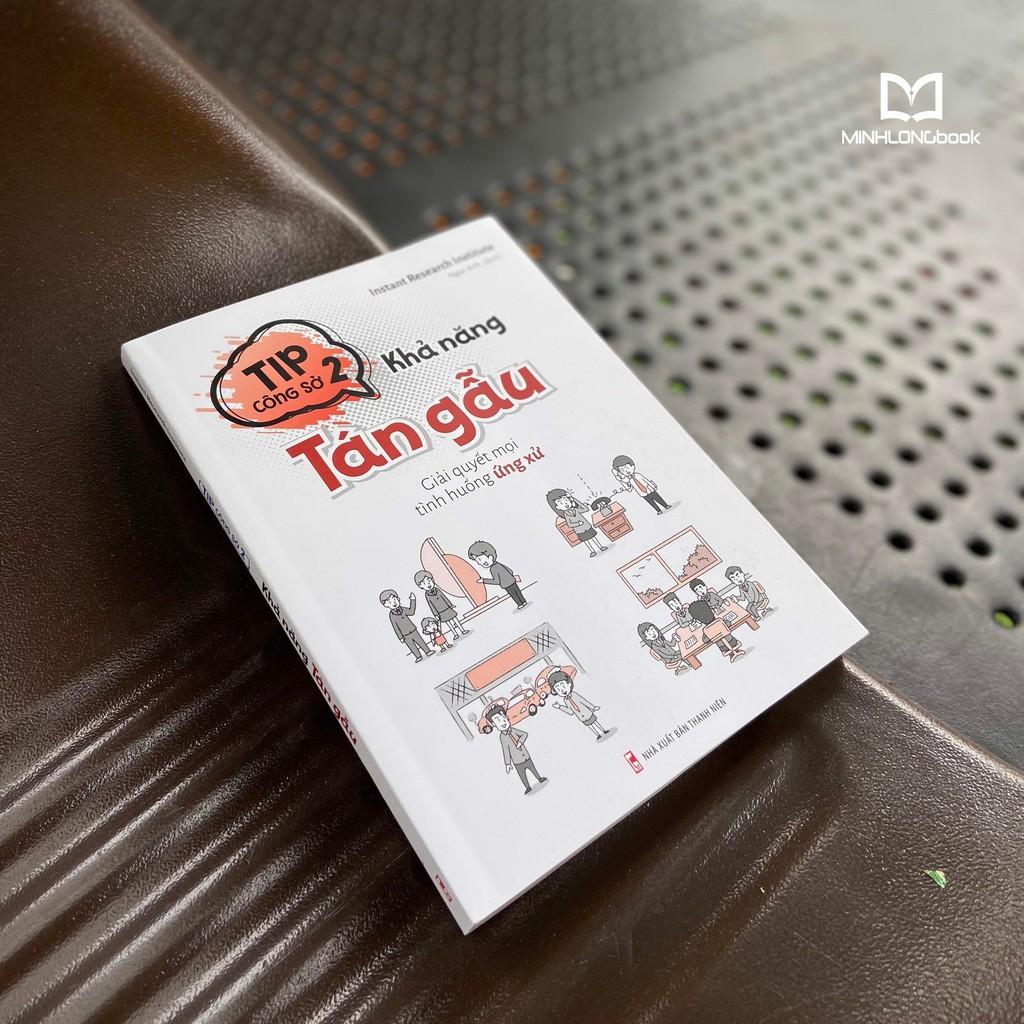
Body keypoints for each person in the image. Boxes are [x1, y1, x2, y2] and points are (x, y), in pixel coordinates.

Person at [487, 706, 547, 794]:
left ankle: (539, 778)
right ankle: (527, 787)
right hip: (517, 761)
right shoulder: (502, 737)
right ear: (494, 724)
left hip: (525, 756)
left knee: (532, 768)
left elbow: (524, 734)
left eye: (503, 718)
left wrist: (520, 742)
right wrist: (508, 763)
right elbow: (506, 751)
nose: (503, 722)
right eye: (498, 721)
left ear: (506, 717)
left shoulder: (513, 730)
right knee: (522, 774)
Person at [548, 670, 609, 740]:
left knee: (595, 722)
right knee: (590, 725)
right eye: (558, 689)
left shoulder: (574, 695)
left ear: (569, 684)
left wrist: (593, 707)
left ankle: (603, 730)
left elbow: (583, 701)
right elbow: (570, 711)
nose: (562, 690)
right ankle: (597, 734)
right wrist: (560, 707)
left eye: (563, 686)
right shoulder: (566, 700)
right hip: (581, 717)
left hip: (587, 713)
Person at [546, 488, 607, 557]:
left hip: (587, 527)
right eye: (561, 503)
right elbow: (570, 524)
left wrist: (574, 499)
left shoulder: (575, 509)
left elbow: (585, 509)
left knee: (593, 538)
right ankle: (592, 551)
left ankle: (600, 546)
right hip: (579, 530)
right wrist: (578, 524)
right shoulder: (566, 515)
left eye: (566, 500)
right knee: (586, 541)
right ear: (557, 507)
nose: (565, 503)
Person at [468, 540, 527, 609]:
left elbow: (496, 581)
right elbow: (510, 570)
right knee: (517, 591)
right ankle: (523, 601)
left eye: (480, 559)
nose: (479, 563)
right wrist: (510, 577)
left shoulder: (493, 569)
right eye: (477, 561)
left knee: (513, 594)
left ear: (490, 557)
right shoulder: (498, 564)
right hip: (512, 580)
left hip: (506, 585)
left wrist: (484, 580)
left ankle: (520, 604)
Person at [379, 589, 433, 662]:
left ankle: (428, 651)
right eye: (389, 602)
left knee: (420, 641)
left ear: (398, 599)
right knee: (412, 646)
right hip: (405, 635)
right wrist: (400, 637)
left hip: (413, 630)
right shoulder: (392, 615)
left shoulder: (403, 609)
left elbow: (411, 611)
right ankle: (418, 656)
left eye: (394, 599)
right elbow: (395, 627)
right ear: (386, 605)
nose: (393, 602)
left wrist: (413, 600)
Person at [414, 569, 469, 639]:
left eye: (429, 581)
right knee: (448, 623)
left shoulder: (437, 590)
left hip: (447, 608)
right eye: (424, 583)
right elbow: (431, 605)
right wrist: (436, 614)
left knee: (455, 619)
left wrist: (450, 605)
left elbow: (444, 597)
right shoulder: (427, 595)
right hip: (441, 612)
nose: (428, 584)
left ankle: (462, 630)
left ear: (432, 580)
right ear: (421, 586)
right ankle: (455, 634)